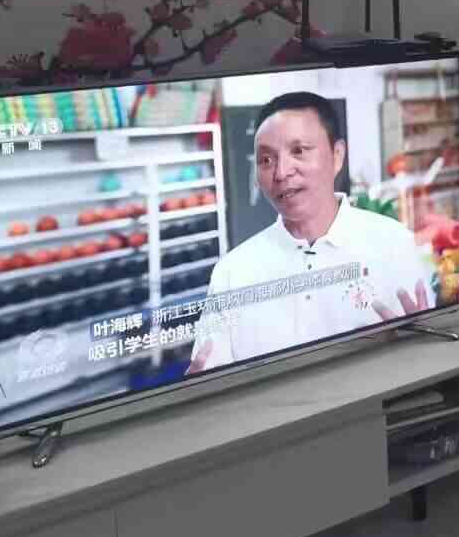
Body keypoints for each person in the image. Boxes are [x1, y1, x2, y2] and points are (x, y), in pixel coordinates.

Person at [186, 92, 434, 374]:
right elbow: (210, 377)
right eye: (266, 160)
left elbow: (427, 354)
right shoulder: (232, 272)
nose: (281, 173)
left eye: (299, 151)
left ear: (337, 156)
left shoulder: (394, 243)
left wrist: (421, 348)